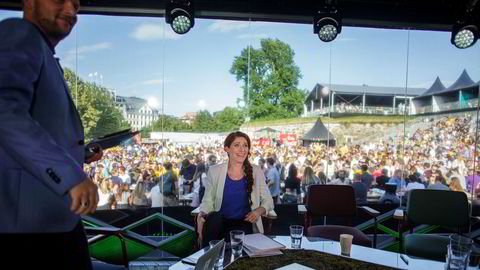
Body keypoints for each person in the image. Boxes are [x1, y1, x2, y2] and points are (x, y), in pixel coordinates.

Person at [0, 1, 101, 269]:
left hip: (51, 222)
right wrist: (69, 176)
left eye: (77, 6)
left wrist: (81, 153)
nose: (71, 11)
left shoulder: (43, 53)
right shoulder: (19, 34)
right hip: (26, 230)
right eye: (60, 0)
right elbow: (4, 111)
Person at [197, 132, 273, 247]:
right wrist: (202, 214)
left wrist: (258, 211)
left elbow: (268, 200)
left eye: (245, 145)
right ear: (227, 149)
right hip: (219, 225)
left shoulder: (256, 171)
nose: (242, 149)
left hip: (245, 225)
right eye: (237, 145)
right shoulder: (214, 171)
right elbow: (207, 200)